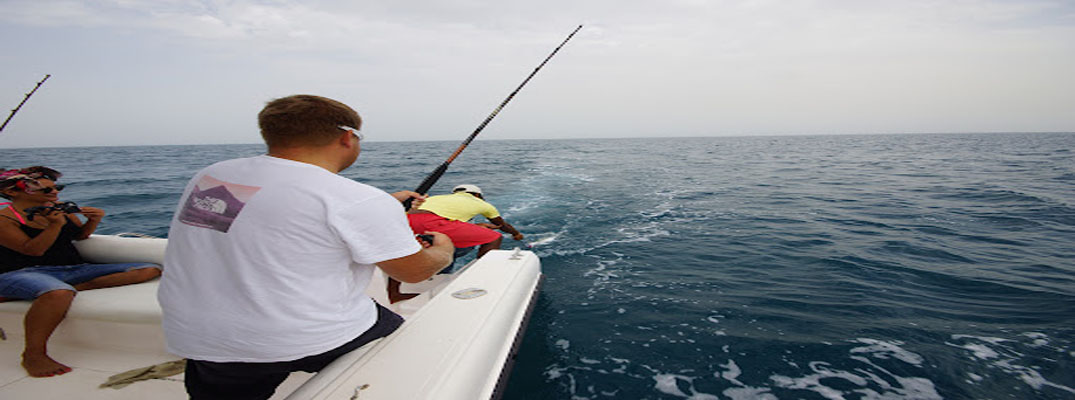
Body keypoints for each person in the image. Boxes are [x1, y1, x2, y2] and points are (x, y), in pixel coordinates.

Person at [159, 94, 455, 400]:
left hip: (200, 336)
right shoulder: (357, 200)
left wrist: (383, 207)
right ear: (347, 137)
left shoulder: (213, 175)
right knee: (406, 343)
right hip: (300, 336)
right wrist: (444, 251)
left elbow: (269, 210)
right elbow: (416, 271)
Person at [0, 166, 162, 378]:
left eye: (57, 188)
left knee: (148, 269)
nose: (55, 193)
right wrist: (54, 225)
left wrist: (94, 220)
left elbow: (79, 237)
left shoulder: (59, 209)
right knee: (59, 293)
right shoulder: (5, 219)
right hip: (22, 271)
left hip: (72, 269)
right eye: (47, 191)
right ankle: (33, 354)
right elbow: (33, 250)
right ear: (13, 192)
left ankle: (68, 289)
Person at [387, 184, 524, 303]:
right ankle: (483, 277)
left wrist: (477, 227)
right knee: (494, 237)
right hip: (433, 222)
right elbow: (501, 224)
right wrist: (516, 234)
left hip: (405, 220)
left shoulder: (438, 198)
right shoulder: (483, 204)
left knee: (402, 253)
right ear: (477, 195)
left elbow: (445, 217)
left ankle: (394, 293)